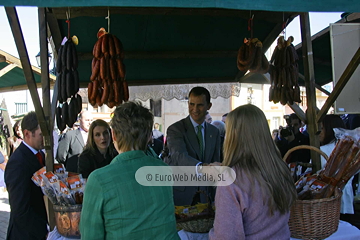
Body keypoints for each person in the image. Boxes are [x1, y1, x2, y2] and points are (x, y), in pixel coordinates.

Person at [80, 101, 179, 240]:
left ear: (113, 135)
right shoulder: (163, 170)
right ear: (149, 136)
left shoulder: (98, 180)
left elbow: (90, 236)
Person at [209, 104, 297, 239]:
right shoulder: (279, 168)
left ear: (235, 135)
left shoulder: (230, 181)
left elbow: (225, 236)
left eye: (228, 131)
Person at [166, 86, 221, 205]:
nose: (195, 109)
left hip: (207, 196)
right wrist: (203, 167)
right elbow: (179, 157)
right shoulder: (175, 129)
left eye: (200, 105)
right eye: (191, 104)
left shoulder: (214, 132)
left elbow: (216, 161)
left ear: (209, 106)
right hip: (182, 196)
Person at [5, 111, 48, 239]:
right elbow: (20, 209)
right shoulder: (17, 162)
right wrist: (43, 231)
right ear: (27, 134)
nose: (46, 138)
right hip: (26, 234)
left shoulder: (40, 155)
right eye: (41, 135)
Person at [318, 114, 354, 215]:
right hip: (347, 199)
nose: (319, 133)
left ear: (330, 130)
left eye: (322, 129)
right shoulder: (351, 149)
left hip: (328, 199)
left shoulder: (322, 151)